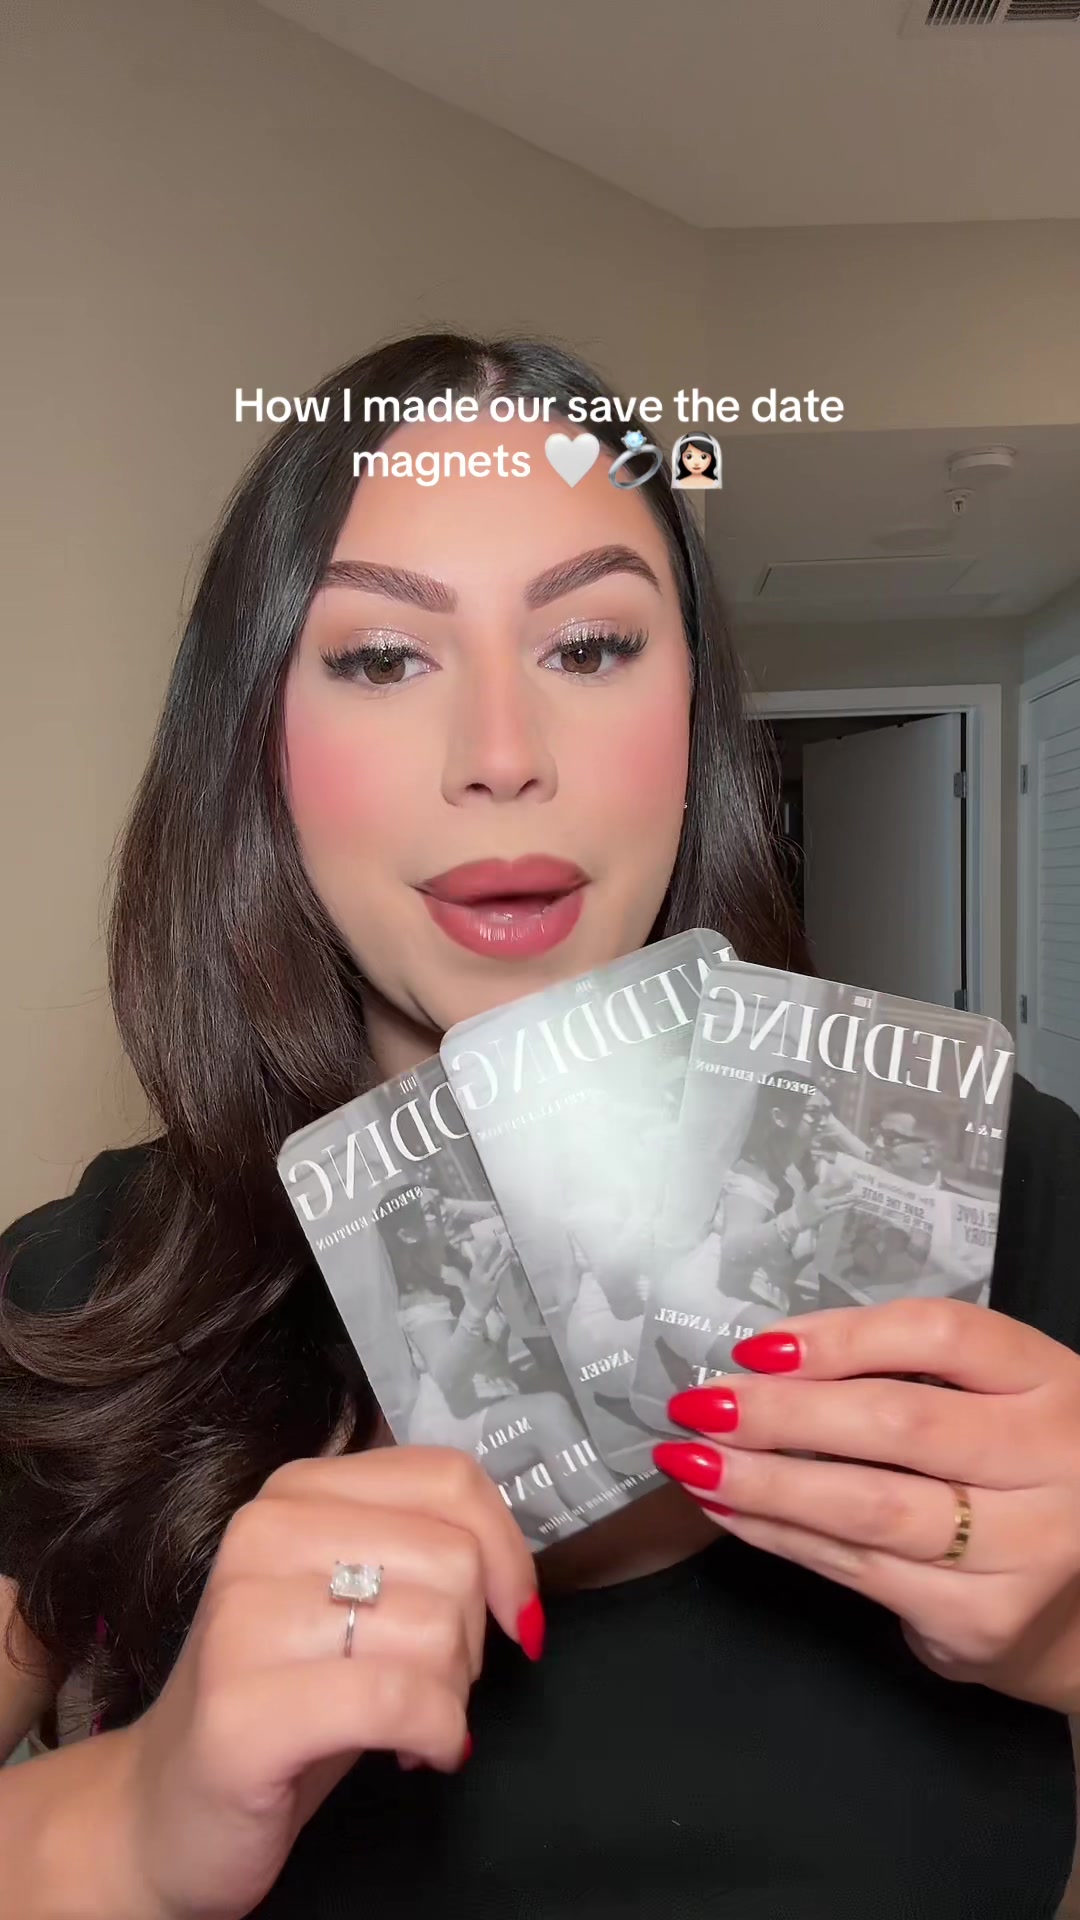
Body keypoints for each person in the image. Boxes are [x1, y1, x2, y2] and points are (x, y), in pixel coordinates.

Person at [2, 332, 1080, 1920]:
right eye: (383, 658)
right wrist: (134, 1824)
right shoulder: (82, 1290)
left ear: (694, 710)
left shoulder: (1026, 1198)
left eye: (590, 644)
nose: (502, 758)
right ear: (254, 742)